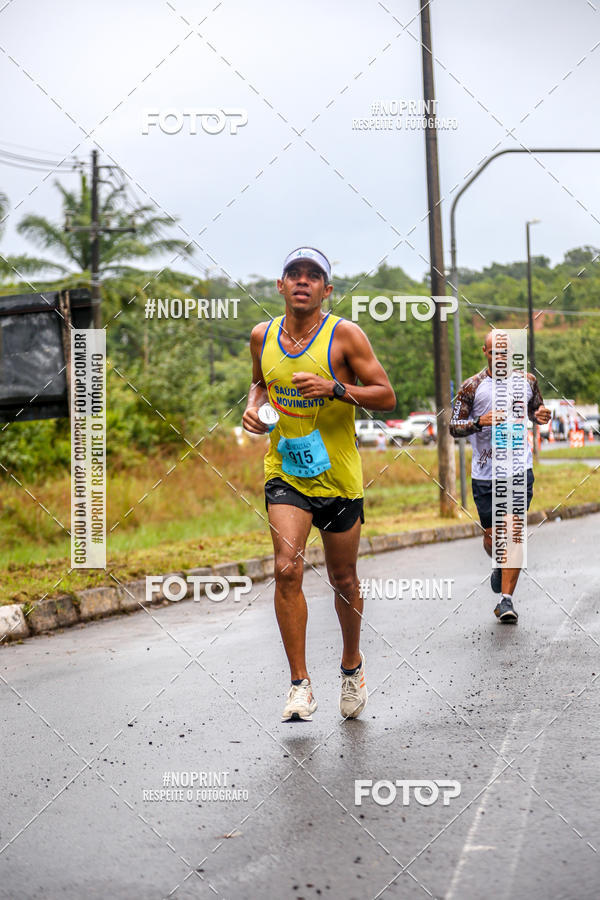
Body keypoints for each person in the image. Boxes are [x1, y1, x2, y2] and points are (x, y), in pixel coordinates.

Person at [242, 247, 396, 721]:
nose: (303, 281)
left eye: (313, 276)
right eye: (294, 274)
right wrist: (255, 410)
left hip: (338, 476)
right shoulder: (261, 335)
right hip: (285, 471)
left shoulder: (345, 335)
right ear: (281, 286)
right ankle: (299, 686)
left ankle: (352, 665)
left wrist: (335, 388)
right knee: (287, 567)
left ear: (326, 290)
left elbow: (387, 396)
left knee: (342, 578)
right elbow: (260, 385)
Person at [449, 331, 551, 623]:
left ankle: (506, 601)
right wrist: (480, 422)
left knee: (514, 533)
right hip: (486, 474)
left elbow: (536, 410)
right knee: (494, 538)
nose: (501, 357)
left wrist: (542, 415)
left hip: (519, 469)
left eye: (506, 352)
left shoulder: (528, 382)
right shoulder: (472, 387)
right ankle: (498, 561)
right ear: (485, 352)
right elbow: (453, 426)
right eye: (495, 352)